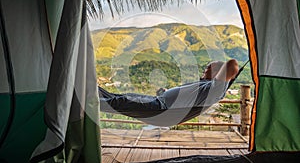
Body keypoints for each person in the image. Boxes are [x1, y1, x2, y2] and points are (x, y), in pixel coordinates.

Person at [99, 59, 239, 113]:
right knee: (121, 97)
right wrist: (166, 92)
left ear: (217, 72)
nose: (204, 70)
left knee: (121, 102)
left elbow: (232, 64)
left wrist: (225, 75)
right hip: (157, 100)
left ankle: (85, 105)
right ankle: (92, 91)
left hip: (160, 108)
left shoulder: (214, 89)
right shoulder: (204, 85)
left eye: (208, 68)